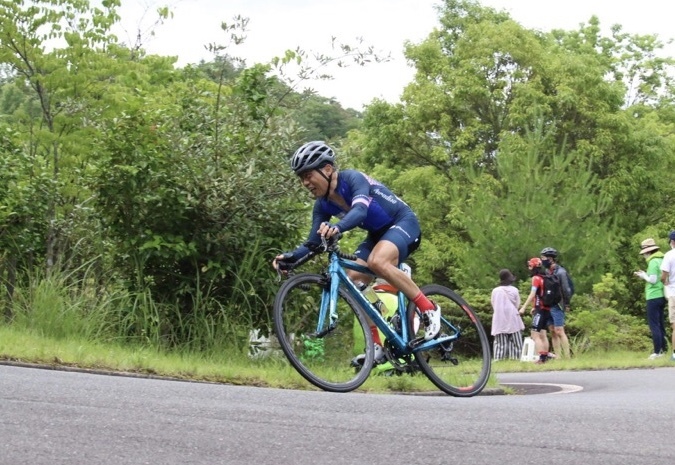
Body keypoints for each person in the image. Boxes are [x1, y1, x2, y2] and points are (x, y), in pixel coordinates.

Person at [272, 141, 441, 363]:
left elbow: (360, 211)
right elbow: (313, 243)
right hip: (377, 235)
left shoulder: (352, 179)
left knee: (377, 261)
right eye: (300, 178)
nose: (305, 183)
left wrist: (337, 228)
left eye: (307, 175)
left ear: (327, 169)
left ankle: (429, 309)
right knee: (352, 283)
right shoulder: (321, 205)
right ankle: (379, 345)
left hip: (403, 222)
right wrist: (291, 258)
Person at [634, 238, 667, 360]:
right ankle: (663, 349)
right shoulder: (662, 259)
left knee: (654, 325)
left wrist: (642, 275)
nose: (644, 256)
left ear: (648, 252)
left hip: (653, 295)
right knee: (660, 323)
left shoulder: (653, 262)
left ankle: (657, 351)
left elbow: (652, 280)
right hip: (662, 294)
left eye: (644, 254)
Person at [540, 247, 573, 359]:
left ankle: (567, 356)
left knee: (559, 330)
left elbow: (566, 289)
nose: (542, 260)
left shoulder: (561, 272)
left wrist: (567, 304)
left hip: (558, 304)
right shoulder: (546, 272)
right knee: (552, 330)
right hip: (548, 304)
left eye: (544, 258)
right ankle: (558, 356)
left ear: (550, 259)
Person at [518, 257, 553, 364]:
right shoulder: (545, 276)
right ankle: (546, 355)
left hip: (540, 309)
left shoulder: (536, 278)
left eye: (530, 266)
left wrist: (524, 307)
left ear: (533, 267)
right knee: (543, 333)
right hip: (546, 308)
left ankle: (542, 357)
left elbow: (533, 294)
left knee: (534, 333)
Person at [490, 269, 525, 361]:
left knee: (500, 342)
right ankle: (515, 358)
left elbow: (493, 304)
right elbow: (517, 304)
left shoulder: (495, 291)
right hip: (513, 317)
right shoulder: (514, 290)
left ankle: (498, 359)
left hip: (499, 318)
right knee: (516, 341)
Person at [660, 230, 675, 362]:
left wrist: (665, 282)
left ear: (672, 242)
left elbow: (663, 276)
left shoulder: (669, 255)